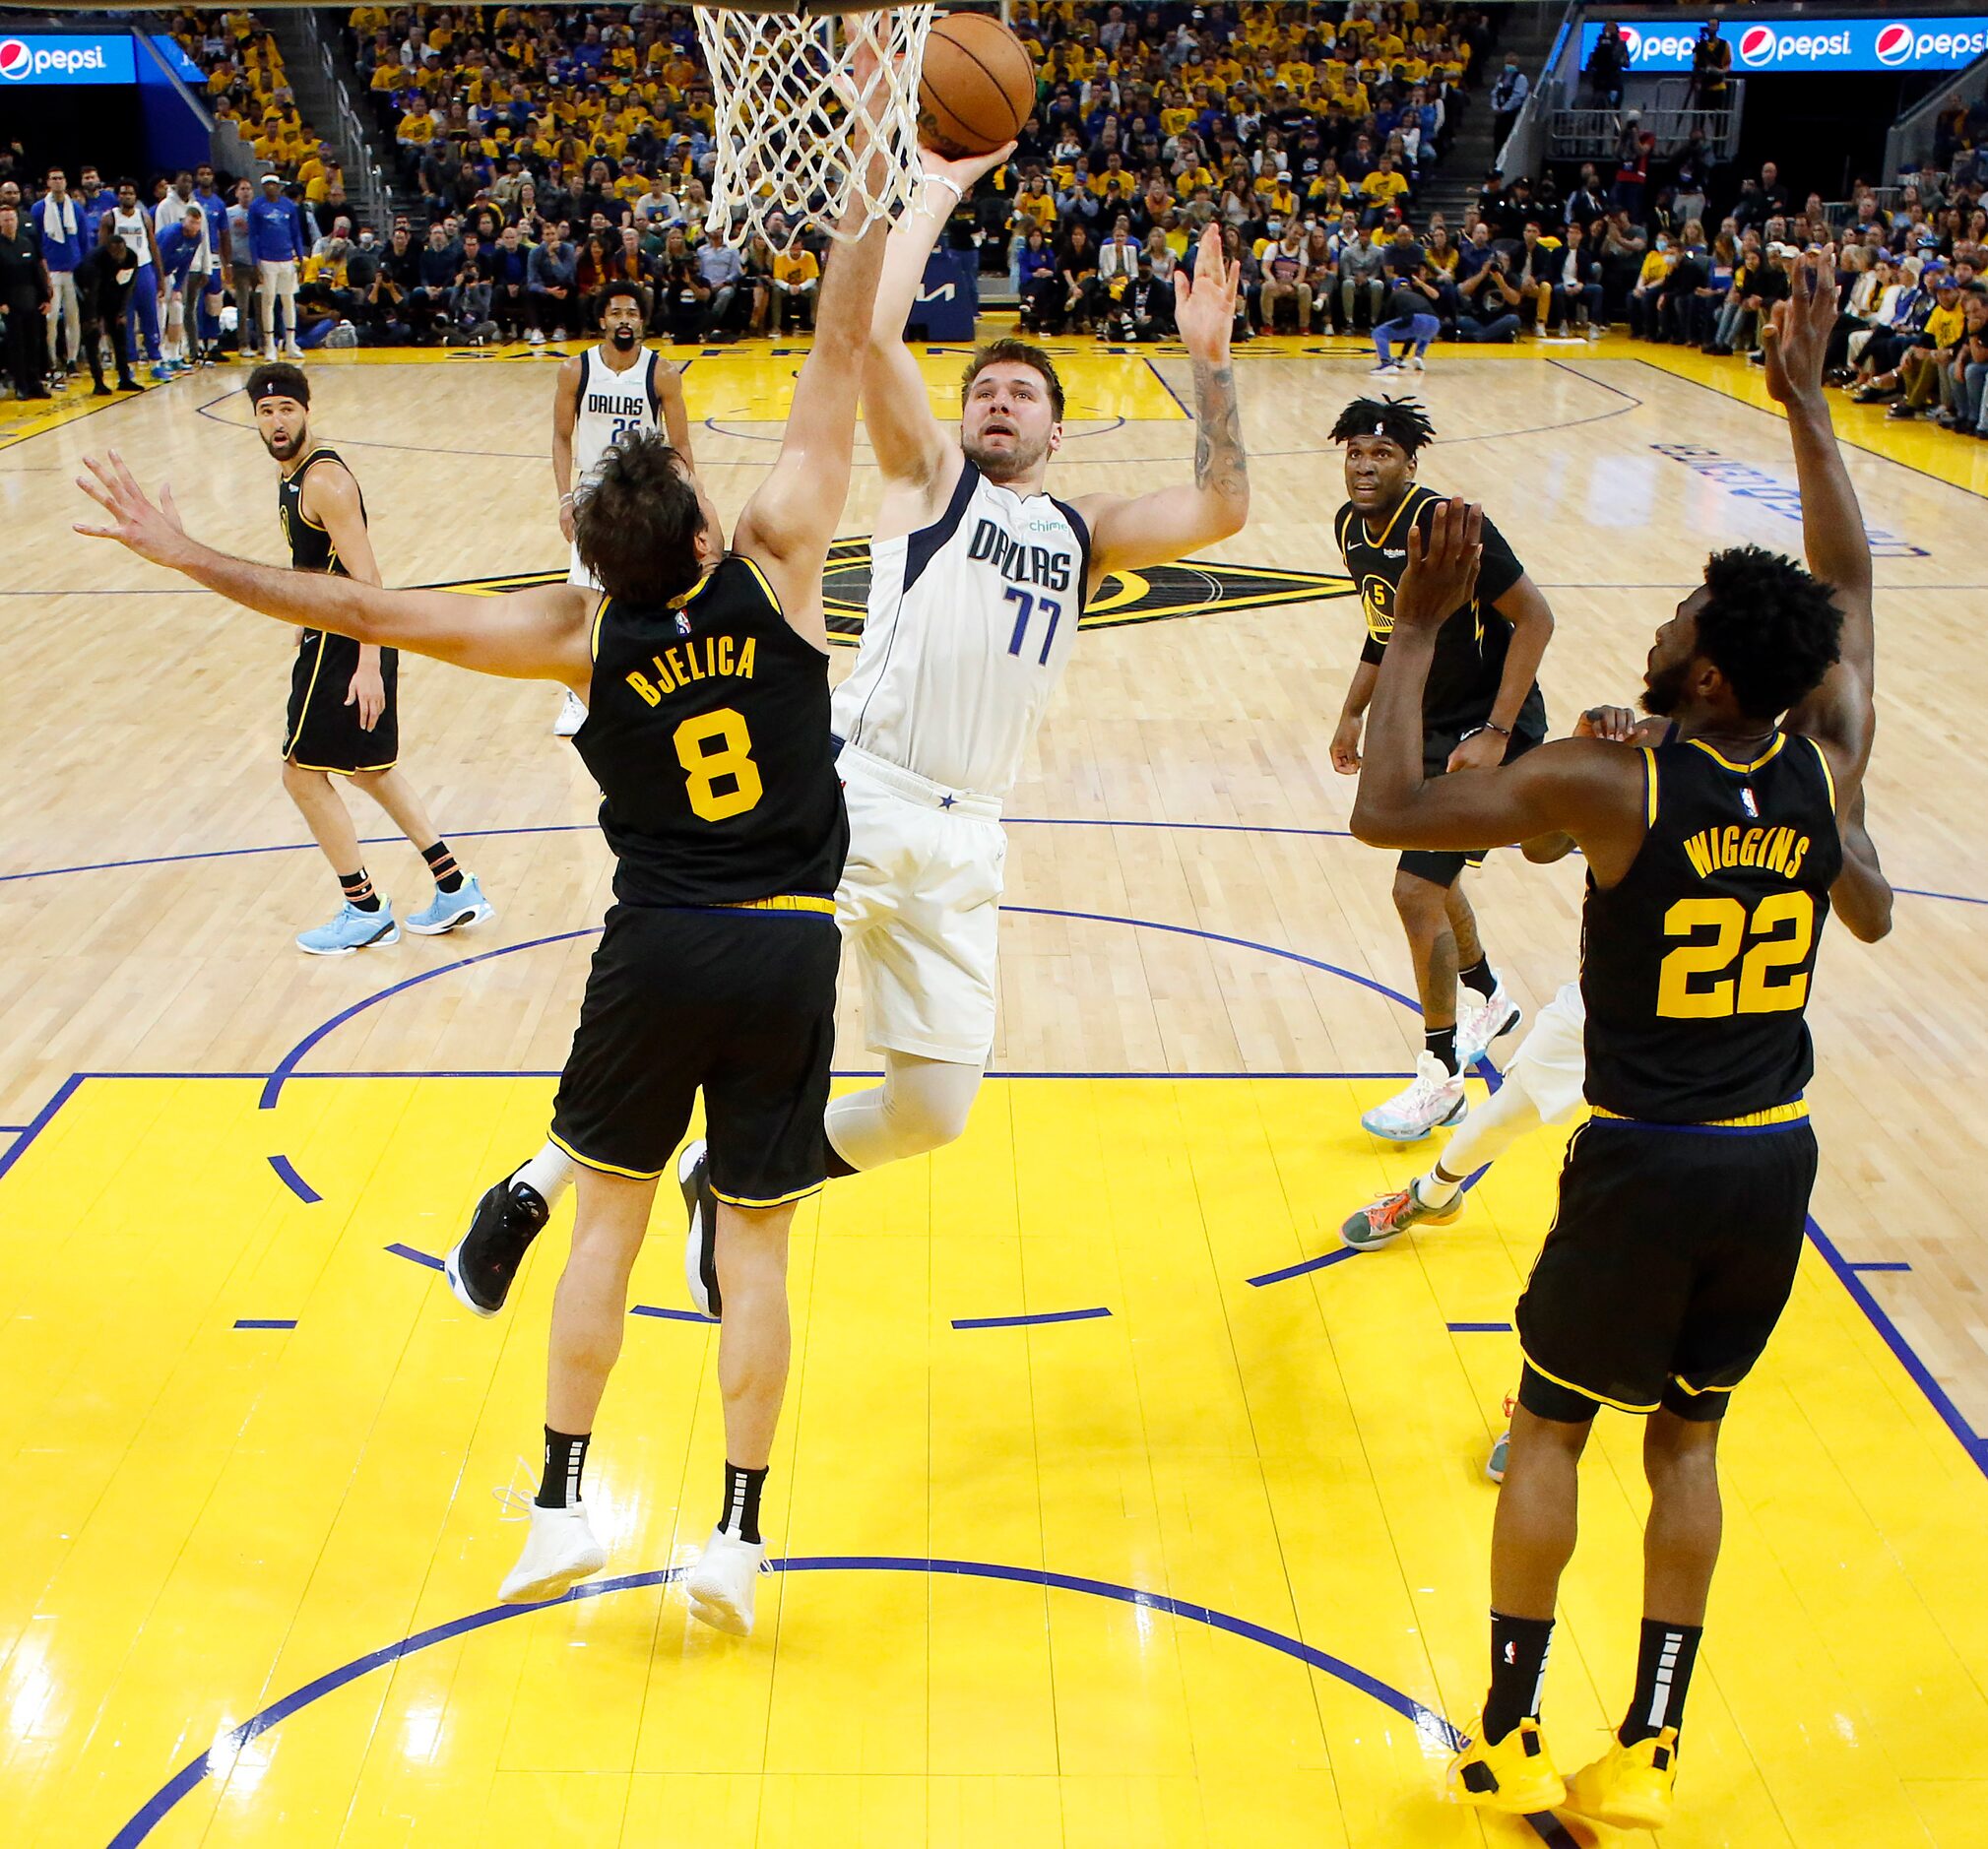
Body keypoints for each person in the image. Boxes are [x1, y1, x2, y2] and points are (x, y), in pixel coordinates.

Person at [77, 91, 892, 1632]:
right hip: (789, 941)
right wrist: (864, 178)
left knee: (606, 1214)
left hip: (655, 944)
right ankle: (733, 1535)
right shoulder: (781, 577)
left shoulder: (575, 638)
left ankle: (565, 1499)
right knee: (760, 1249)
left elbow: (363, 616)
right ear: (707, 529)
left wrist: (185, 550)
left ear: (605, 557)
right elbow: (840, 360)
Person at [459, 146, 1250, 1323]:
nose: (998, 400)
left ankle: (722, 1181)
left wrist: (1213, 364)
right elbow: (871, 339)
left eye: (1023, 393)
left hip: (972, 831)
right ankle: (538, 1181)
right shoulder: (932, 478)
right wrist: (932, 188)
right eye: (985, 386)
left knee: (935, 1109)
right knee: (716, 997)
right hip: (856, 794)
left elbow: (1225, 508)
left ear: (1058, 430)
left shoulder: (1085, 533)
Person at [1350, 251, 1876, 1832]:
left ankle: (1510, 1727)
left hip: (1642, 1156)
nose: (1654, 617)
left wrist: (1415, 632)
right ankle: (1645, 1744)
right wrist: (1806, 410)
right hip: (1769, 1160)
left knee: (1548, 1423)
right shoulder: (1824, 760)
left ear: (1700, 671)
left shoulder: (1614, 785)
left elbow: (1390, 809)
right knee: (1688, 1439)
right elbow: (1849, 596)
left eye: (1676, 615)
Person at [1328, 397, 1555, 1140]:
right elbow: (1383, 631)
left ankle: (1440, 1080)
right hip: (1422, 724)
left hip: (1489, 729)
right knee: (1433, 878)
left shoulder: (1449, 526)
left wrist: (1495, 731)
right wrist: (1353, 711)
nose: (1365, 465)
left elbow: (1536, 618)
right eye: (1356, 452)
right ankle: (1487, 998)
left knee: (1414, 889)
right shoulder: (1348, 527)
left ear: (1410, 463)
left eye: (1381, 455)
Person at [242, 364, 495, 947]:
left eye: (287, 410)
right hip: (335, 636)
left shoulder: (323, 480)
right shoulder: (296, 477)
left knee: (301, 775)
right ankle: (455, 888)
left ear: (307, 412)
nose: (278, 422)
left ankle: (365, 910)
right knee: (371, 771)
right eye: (266, 412)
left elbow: (369, 580)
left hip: (345, 644)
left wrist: (368, 661)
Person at [549, 281, 693, 736]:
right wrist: (564, 499)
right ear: (602, 320)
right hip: (594, 493)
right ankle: (578, 698)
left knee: (653, 592)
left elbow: (682, 443)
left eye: (632, 312)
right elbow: (561, 437)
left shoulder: (662, 373)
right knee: (583, 597)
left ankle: (663, 690)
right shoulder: (576, 371)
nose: (625, 319)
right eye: (617, 312)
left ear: (642, 321)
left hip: (645, 491)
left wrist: (691, 501)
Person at [107, 180, 169, 382]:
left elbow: (153, 247)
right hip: (120, 272)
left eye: (131, 193)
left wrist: (160, 278)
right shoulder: (110, 219)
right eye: (123, 193)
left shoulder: (144, 218)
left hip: (143, 269)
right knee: (125, 320)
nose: (127, 196)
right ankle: (128, 365)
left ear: (136, 196)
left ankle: (156, 363)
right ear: (118, 196)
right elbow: (102, 250)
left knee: (150, 317)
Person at [31, 167, 85, 384]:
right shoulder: (38, 208)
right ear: (48, 183)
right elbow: (36, 240)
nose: (58, 182)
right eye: (53, 178)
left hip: (73, 270)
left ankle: (72, 360)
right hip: (51, 271)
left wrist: (84, 268)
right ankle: (52, 361)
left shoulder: (76, 209)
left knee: (74, 318)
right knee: (51, 319)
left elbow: (83, 241)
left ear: (65, 181)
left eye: (61, 178)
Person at [72, 233, 142, 396]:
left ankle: (125, 378)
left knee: (120, 334)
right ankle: (98, 382)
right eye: (115, 254)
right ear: (109, 251)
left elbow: (129, 285)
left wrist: (122, 311)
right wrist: (92, 318)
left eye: (121, 253)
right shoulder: (94, 260)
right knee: (92, 335)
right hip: (87, 291)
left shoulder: (131, 257)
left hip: (114, 292)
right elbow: (92, 292)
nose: (119, 258)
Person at [248, 173, 308, 361]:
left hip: (286, 259)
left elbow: (296, 233)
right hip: (266, 259)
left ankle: (291, 343)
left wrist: (300, 257)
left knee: (288, 300)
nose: (271, 187)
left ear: (279, 186)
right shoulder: (256, 206)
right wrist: (255, 262)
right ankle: (269, 345)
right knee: (268, 302)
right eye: (267, 184)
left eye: (274, 184)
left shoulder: (288, 206)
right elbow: (253, 236)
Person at [0, 201, 53, 402]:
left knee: (34, 343)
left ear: (17, 220)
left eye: (12, 219)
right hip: (10, 303)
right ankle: (20, 385)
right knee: (17, 346)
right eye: (5, 220)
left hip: (31, 300)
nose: (9, 222)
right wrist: (1, 302)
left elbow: (36, 273)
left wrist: (45, 298)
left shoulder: (26, 243)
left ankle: (35, 384)